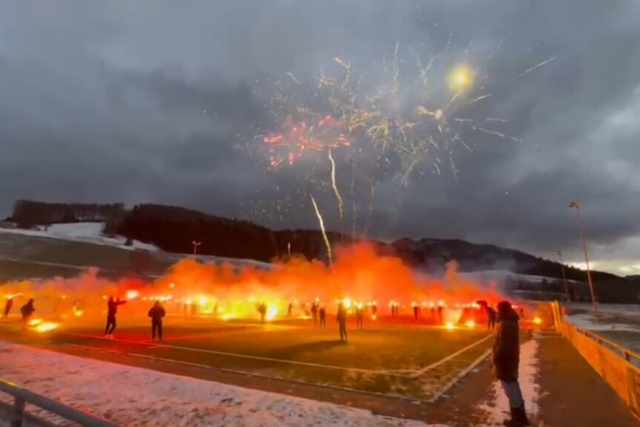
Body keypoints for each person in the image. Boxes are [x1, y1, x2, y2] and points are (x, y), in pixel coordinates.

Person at [492, 301, 530, 427]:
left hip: (506, 361)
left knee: (510, 389)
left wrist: (496, 359)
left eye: (498, 309)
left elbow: (503, 345)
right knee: (513, 387)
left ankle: (518, 419)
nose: (497, 311)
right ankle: (520, 417)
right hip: (510, 360)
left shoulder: (506, 324)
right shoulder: (510, 322)